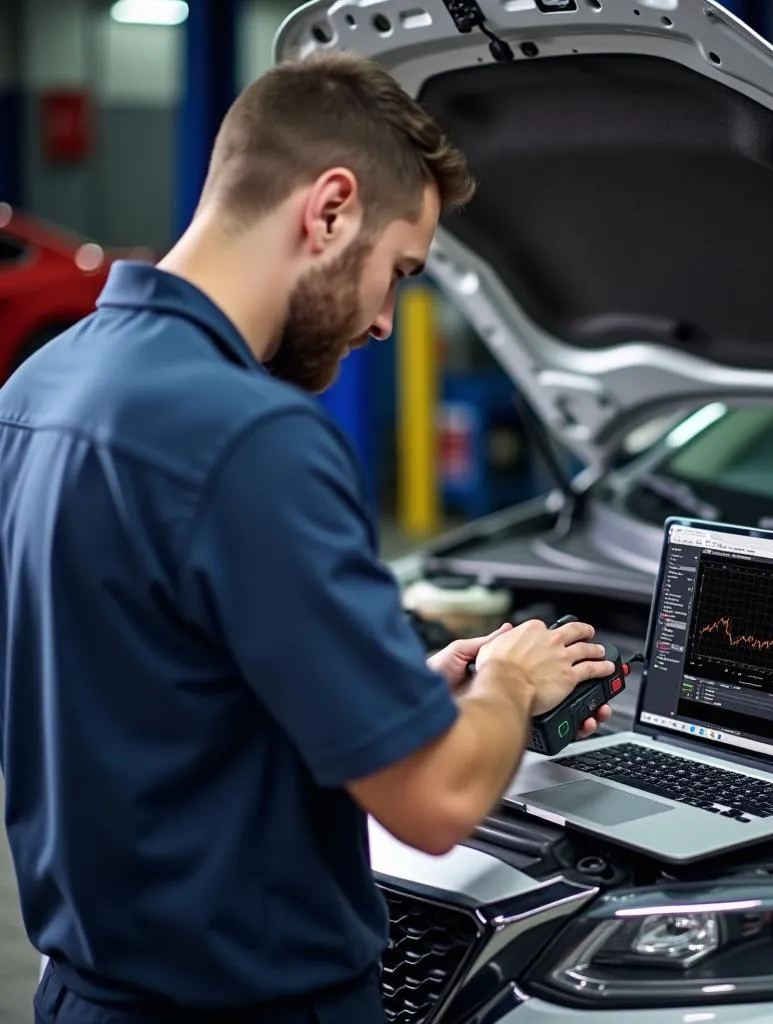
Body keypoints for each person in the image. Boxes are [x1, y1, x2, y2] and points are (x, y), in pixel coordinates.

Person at [0, 53, 614, 1024]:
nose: (382, 320)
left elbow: (140, 677)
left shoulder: (41, 388)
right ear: (329, 210)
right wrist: (510, 681)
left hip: (82, 992)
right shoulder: (253, 431)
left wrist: (391, 692)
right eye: (398, 272)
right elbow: (438, 799)